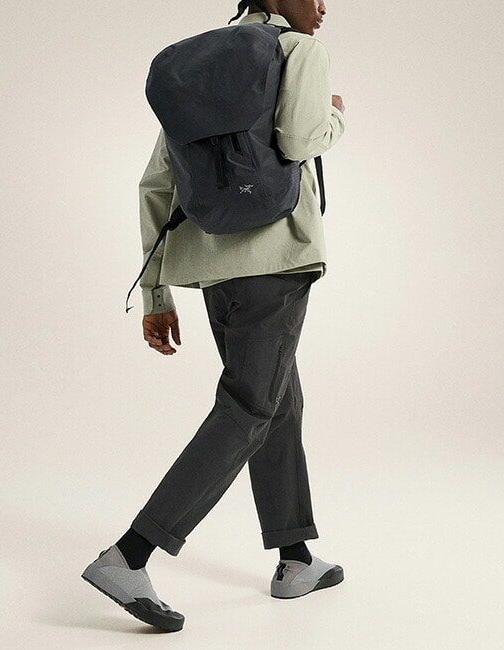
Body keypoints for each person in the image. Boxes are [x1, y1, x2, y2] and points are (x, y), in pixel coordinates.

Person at [81, 0, 346, 632]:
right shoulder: (298, 51)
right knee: (250, 408)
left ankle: (294, 558)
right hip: (275, 261)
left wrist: (156, 293)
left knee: (278, 401)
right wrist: (336, 117)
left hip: (212, 266)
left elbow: (157, 182)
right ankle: (130, 555)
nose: (323, 7)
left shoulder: (199, 63)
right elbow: (300, 140)